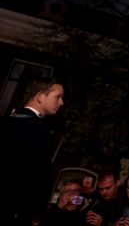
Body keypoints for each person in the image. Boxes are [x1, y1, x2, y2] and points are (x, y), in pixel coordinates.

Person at [1, 79, 65, 226]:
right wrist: (36, 213)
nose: (61, 103)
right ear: (40, 96)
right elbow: (37, 175)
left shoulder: (9, 119)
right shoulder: (36, 128)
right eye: (58, 97)